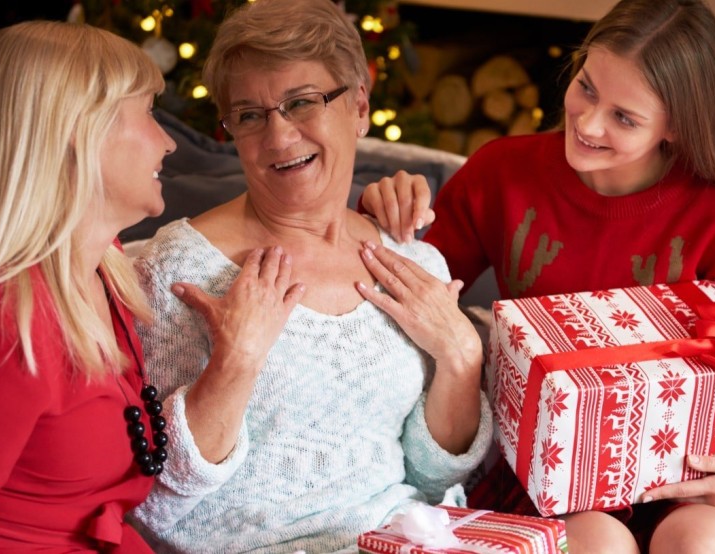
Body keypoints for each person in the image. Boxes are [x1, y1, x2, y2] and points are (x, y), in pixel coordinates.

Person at [360, 0, 715, 552]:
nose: (588, 122)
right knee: (597, 543)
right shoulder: (503, 174)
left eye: (624, 117)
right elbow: (406, 296)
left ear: (676, 127)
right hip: (550, 473)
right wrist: (382, 223)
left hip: (683, 474)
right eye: (585, 87)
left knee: (700, 538)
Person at [127, 0, 493, 552]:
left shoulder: (413, 262)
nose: (278, 138)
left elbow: (435, 479)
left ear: (360, 107)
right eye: (250, 115)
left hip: (403, 540)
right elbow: (157, 498)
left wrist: (462, 358)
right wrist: (236, 361)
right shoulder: (181, 267)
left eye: (301, 103)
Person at [0, 20, 296, 553]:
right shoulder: (2, 321)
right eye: (150, 113)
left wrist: (374, 211)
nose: (166, 143)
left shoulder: (105, 273)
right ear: (77, 127)